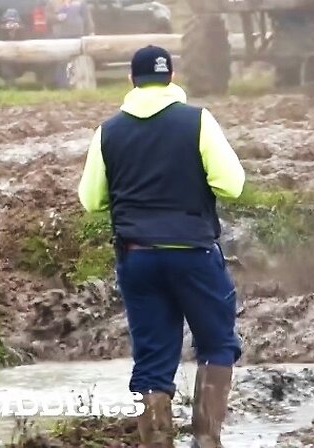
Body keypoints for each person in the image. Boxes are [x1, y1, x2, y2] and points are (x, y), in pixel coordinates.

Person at [77, 45, 245, 448]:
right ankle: (206, 440)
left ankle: (156, 442)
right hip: (193, 255)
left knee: (152, 360)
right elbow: (232, 185)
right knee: (217, 344)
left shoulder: (108, 131)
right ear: (171, 77)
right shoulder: (198, 121)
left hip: (138, 258)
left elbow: (90, 200)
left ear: (131, 81)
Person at [47, 0, 95, 87]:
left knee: (77, 59)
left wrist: (90, 30)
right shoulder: (53, 0)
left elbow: (86, 16)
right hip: (61, 33)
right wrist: (57, 18)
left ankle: (78, 82)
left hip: (77, 32)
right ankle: (62, 84)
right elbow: (48, 17)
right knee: (62, 60)